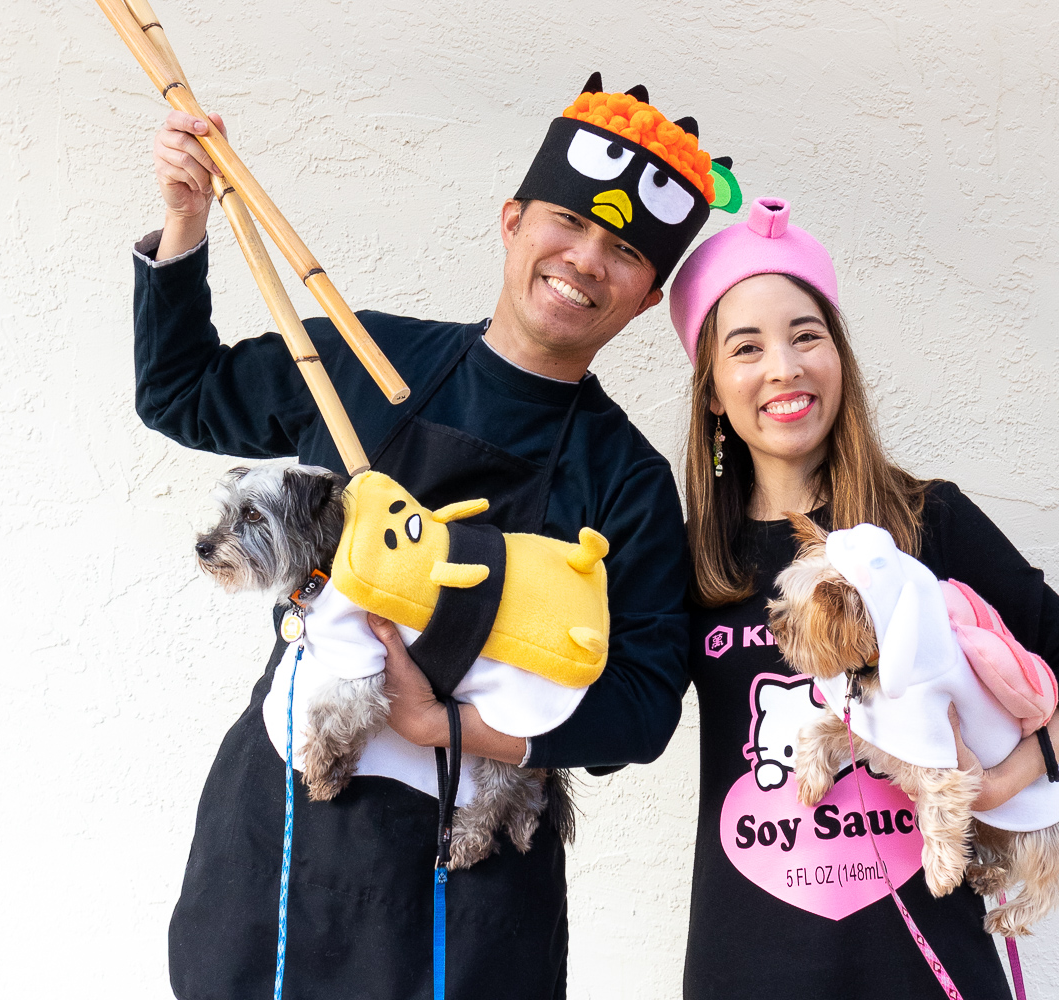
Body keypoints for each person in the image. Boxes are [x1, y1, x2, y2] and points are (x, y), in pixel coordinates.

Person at [135, 75, 726, 998]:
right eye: (566, 223)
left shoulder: (630, 483)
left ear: (648, 298)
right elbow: (178, 393)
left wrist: (447, 724)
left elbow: (641, 715)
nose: (584, 260)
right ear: (511, 218)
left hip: (477, 864)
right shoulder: (363, 363)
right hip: (283, 823)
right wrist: (184, 221)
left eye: (622, 251)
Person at [667, 198, 1059, 999]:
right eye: (746, 347)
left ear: (838, 357)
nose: (783, 367)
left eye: (806, 335)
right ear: (713, 390)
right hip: (749, 962)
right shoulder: (692, 563)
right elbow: (613, 723)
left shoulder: (927, 520)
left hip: (926, 963)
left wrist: (1004, 781)